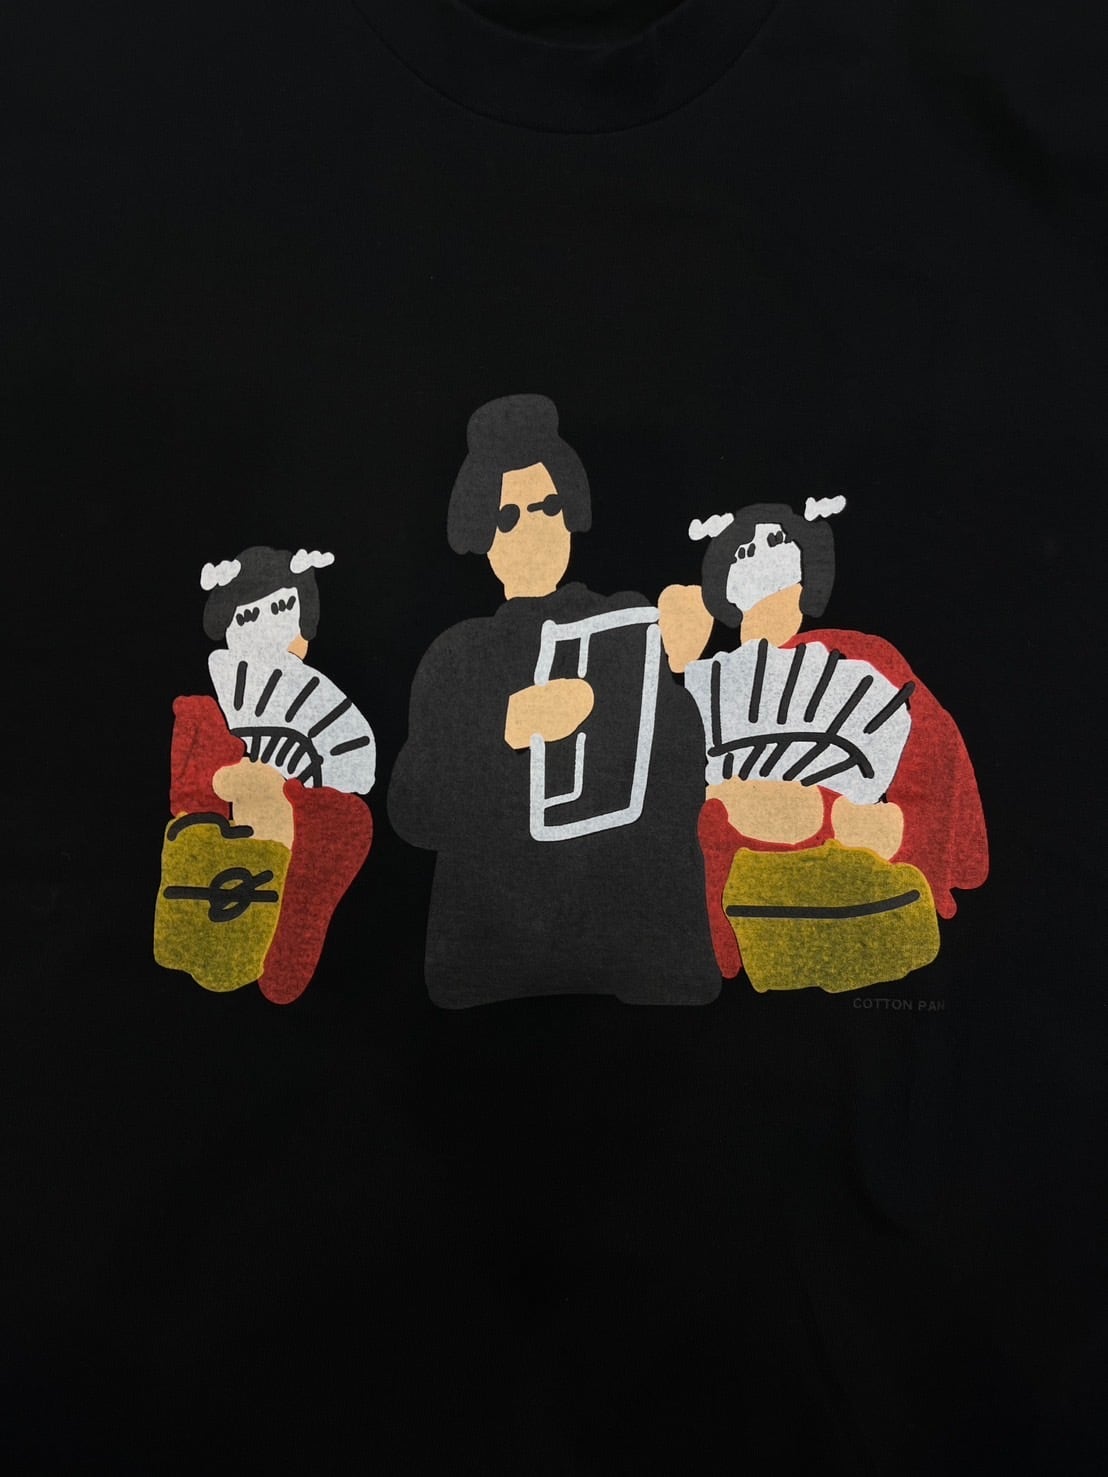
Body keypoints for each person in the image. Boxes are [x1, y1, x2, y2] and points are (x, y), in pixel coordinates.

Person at [388, 394, 720, 1008]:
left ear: (571, 514)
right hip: (492, 966)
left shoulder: (629, 626)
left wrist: (680, 669)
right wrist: (506, 730)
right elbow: (413, 809)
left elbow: (687, 784)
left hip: (637, 959)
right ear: (482, 536)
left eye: (547, 507)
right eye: (508, 516)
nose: (534, 528)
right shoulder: (457, 656)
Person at [659, 500, 988, 988]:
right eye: (743, 548)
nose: (758, 554)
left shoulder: (862, 657)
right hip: (733, 885)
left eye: (776, 540)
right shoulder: (700, 684)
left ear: (808, 568)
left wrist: (852, 820)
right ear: (721, 583)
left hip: (846, 873)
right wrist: (673, 665)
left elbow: (938, 765)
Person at [155, 546, 375, 1004]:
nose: (265, 626)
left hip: (293, 816)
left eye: (280, 610)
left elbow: (348, 766)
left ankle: (284, 912)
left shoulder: (317, 704)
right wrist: (226, 781)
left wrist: (280, 794)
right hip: (230, 828)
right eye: (249, 614)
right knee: (200, 727)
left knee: (347, 819)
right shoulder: (215, 704)